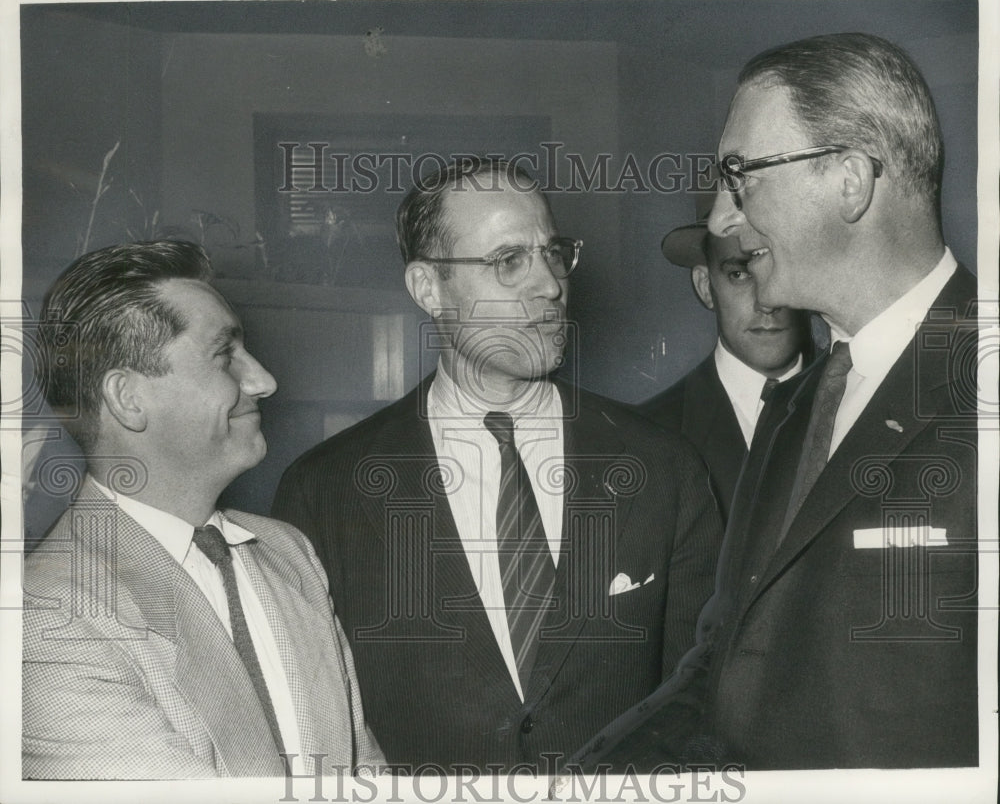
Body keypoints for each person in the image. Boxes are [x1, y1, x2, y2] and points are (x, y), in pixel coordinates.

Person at [566, 32, 979, 772]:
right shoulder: (793, 412)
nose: (724, 218)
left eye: (743, 175)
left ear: (849, 180)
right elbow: (721, 672)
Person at [273, 158, 723, 772]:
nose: (549, 285)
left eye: (554, 253)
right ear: (428, 288)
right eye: (509, 261)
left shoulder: (660, 467)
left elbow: (700, 702)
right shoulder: (324, 490)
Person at [22, 241, 383, 779]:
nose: (263, 381)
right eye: (224, 356)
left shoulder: (288, 553)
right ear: (128, 398)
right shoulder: (44, 615)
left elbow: (364, 773)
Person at [640, 196, 812, 518]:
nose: (767, 301)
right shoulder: (647, 436)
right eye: (739, 274)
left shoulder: (860, 407)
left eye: (781, 266)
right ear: (706, 287)